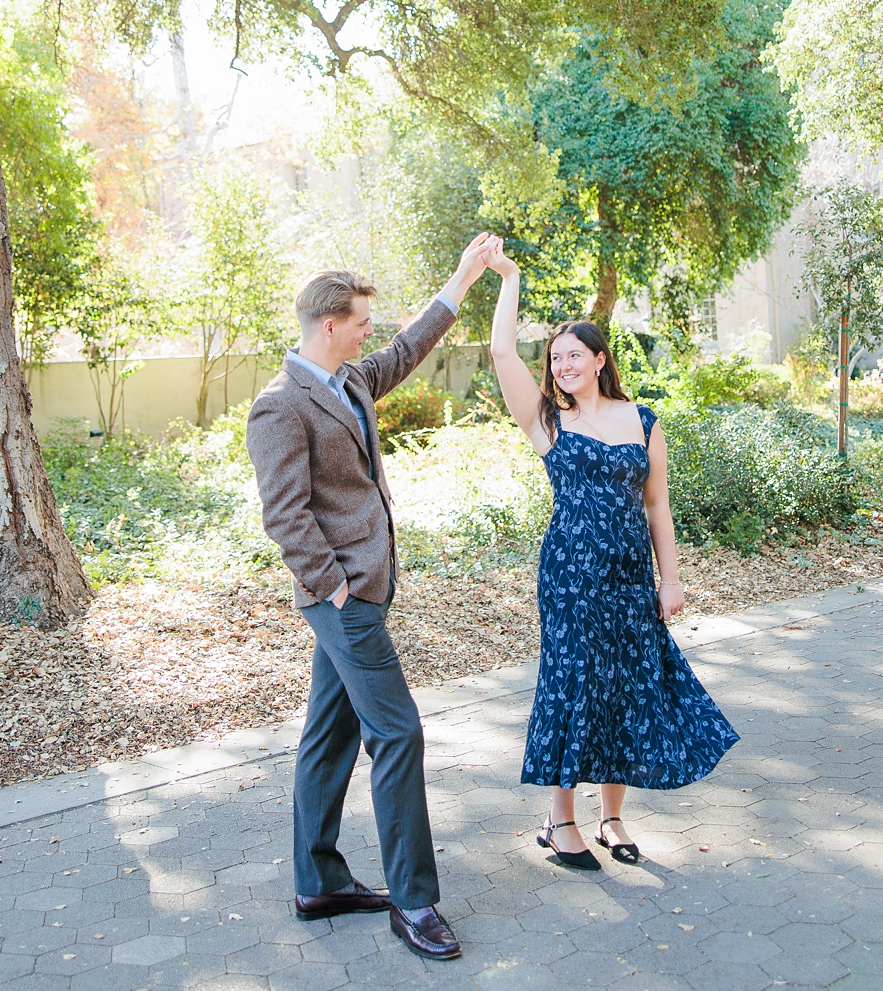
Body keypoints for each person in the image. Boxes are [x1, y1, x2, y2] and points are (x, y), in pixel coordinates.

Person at [245, 235, 500, 964]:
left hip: (367, 586)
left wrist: (461, 279)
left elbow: (407, 348)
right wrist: (334, 586)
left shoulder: (349, 380)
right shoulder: (279, 406)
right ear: (329, 323)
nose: (366, 332)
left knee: (332, 731)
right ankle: (414, 901)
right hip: (343, 599)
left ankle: (317, 881)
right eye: (358, 320)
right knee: (398, 730)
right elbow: (285, 516)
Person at [484, 240, 737, 869]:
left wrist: (670, 580)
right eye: (556, 358)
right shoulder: (547, 420)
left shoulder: (643, 421)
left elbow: (658, 508)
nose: (563, 365)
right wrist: (508, 277)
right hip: (570, 575)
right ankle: (559, 819)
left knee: (626, 685)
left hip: (629, 575)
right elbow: (500, 351)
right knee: (572, 683)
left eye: (574, 355)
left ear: (599, 359)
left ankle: (613, 818)